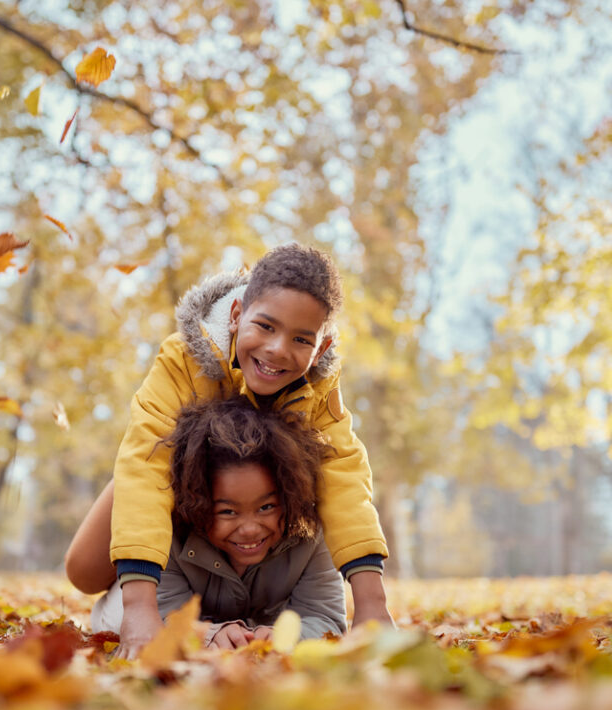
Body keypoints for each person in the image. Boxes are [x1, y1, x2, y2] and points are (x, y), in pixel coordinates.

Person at [66, 243, 392, 654]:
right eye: (266, 327)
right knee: (89, 562)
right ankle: (141, 582)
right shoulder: (184, 360)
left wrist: (371, 604)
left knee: (317, 488)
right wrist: (140, 608)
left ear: (321, 348)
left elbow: (345, 478)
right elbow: (145, 465)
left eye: (301, 339)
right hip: (170, 472)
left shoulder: (319, 387)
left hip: (244, 493)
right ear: (236, 315)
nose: (277, 349)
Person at [89, 397, 347, 647]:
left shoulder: (308, 535)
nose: (249, 529)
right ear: (196, 502)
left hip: (254, 623)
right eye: (227, 512)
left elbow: (326, 617)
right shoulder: (166, 532)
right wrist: (206, 634)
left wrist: (288, 637)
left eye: (266, 507)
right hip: (135, 603)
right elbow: (159, 615)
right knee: (123, 620)